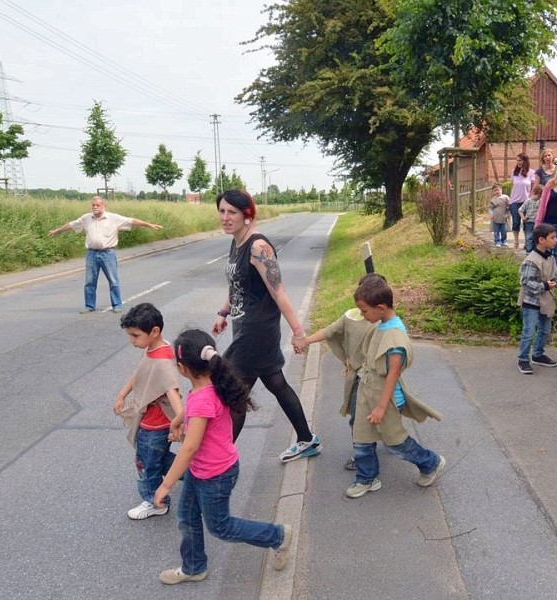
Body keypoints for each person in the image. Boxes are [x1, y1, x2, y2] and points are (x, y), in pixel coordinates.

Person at [154, 329, 292, 584]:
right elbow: (195, 409)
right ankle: (194, 567)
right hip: (203, 470)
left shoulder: (204, 398)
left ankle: (277, 536)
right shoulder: (213, 383)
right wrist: (179, 418)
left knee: (222, 527)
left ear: (183, 368)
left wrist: (166, 484)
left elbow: (190, 447)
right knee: (187, 516)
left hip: (214, 475)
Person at [211, 189, 320, 462]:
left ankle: (219, 461)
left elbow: (278, 292)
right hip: (245, 326)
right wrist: (223, 312)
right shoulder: (236, 242)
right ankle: (307, 439)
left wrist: (298, 331)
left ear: (247, 215)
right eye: (222, 211)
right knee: (275, 382)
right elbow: (237, 285)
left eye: (232, 212)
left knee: (234, 393)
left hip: (256, 332)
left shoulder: (259, 247)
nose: (225, 217)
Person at [346, 276, 445, 499]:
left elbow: (393, 374)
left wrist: (381, 407)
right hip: (368, 391)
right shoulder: (381, 325)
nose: (363, 315)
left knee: (395, 442)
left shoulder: (395, 338)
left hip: (385, 398)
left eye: (364, 311)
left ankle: (430, 462)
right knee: (361, 435)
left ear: (380, 308)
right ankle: (367, 478)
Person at [298, 273, 384, 470]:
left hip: (379, 380)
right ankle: (363, 456)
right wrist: (306, 340)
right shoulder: (351, 316)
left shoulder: (383, 321)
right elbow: (329, 331)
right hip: (357, 380)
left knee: (382, 416)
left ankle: (384, 449)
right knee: (358, 418)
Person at [113, 303, 183, 520]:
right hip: (151, 422)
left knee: (146, 464)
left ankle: (155, 502)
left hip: (156, 426)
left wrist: (179, 420)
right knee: (158, 460)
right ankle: (198, 475)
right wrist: (122, 394)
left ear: (155, 332)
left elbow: (172, 392)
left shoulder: (162, 362)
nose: (131, 340)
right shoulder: (153, 350)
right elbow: (141, 373)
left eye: (135, 335)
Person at [48, 196, 163, 313]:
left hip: (108, 254)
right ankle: (89, 305)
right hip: (92, 254)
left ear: (104, 206)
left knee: (113, 281)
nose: (95, 207)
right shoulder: (86, 218)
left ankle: (116, 304)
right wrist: (57, 231)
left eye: (97, 205)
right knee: (89, 282)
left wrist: (149, 225)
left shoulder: (113, 218)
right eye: (93, 205)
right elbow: (72, 225)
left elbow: (131, 221)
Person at [516, 223, 557, 374]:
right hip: (531, 302)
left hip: (546, 301)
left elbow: (555, 276)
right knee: (529, 332)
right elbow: (526, 283)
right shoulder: (531, 260)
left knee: (545, 330)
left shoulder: (551, 258)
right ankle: (523, 359)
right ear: (541, 240)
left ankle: (538, 354)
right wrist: (545, 286)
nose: (556, 240)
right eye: (553, 237)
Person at [509, 154, 535, 250]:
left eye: (520, 160)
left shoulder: (531, 173)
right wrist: (510, 200)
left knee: (526, 222)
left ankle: (526, 241)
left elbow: (533, 187)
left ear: (525, 161)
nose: (518, 162)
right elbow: (513, 186)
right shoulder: (514, 172)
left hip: (526, 201)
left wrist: (531, 198)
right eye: (517, 160)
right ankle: (516, 241)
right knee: (516, 222)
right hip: (514, 201)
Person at [520, 184, 543, 253]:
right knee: (529, 237)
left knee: (536, 237)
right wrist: (523, 217)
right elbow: (520, 210)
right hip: (529, 222)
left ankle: (535, 251)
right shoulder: (528, 201)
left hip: (537, 222)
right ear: (534, 193)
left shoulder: (540, 201)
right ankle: (528, 252)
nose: (539, 197)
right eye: (539, 195)